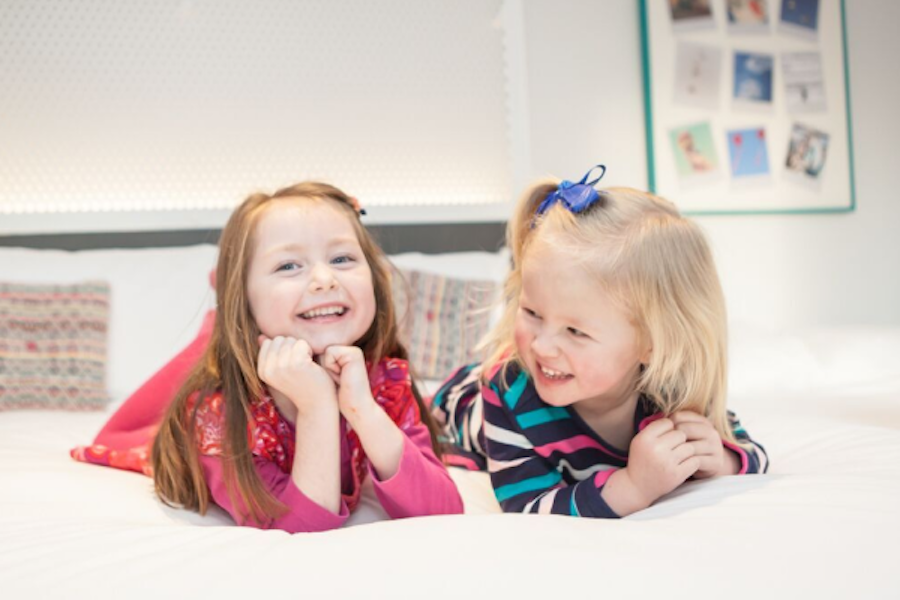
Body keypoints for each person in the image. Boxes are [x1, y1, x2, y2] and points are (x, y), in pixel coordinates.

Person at [72, 181, 463, 532]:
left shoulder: (380, 382)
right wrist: (316, 407)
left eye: (342, 259)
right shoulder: (219, 415)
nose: (325, 279)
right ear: (244, 298)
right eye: (289, 265)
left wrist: (362, 408)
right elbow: (304, 527)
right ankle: (216, 326)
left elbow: (443, 511)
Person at [431, 166, 767, 518]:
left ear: (652, 344)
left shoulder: (673, 390)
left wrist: (722, 460)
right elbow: (527, 506)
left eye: (576, 332)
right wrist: (633, 486)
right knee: (435, 413)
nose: (542, 346)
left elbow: (748, 449)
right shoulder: (506, 392)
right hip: (469, 404)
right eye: (531, 313)